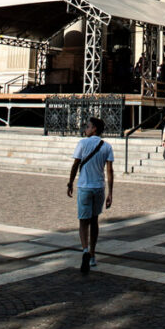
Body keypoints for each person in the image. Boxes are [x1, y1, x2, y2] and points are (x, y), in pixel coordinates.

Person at [67, 117, 114, 274]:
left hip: (84, 187)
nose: (85, 129)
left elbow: (75, 165)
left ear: (94, 129)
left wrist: (70, 182)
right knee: (94, 221)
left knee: (83, 221)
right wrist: (110, 193)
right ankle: (93, 254)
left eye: (87, 126)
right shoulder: (107, 146)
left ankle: (85, 250)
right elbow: (110, 171)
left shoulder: (82, 143)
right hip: (99, 187)